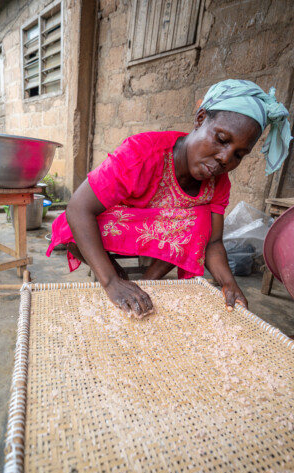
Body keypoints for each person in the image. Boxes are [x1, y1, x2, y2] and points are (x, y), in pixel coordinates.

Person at [47, 79, 291, 318]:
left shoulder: (219, 182)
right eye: (222, 139)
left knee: (200, 220)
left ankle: (147, 284)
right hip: (116, 226)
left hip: (161, 234)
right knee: (73, 225)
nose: (226, 159)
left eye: (239, 154)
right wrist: (111, 281)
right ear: (200, 119)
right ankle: (115, 274)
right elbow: (78, 209)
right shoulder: (141, 152)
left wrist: (229, 283)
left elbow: (213, 243)